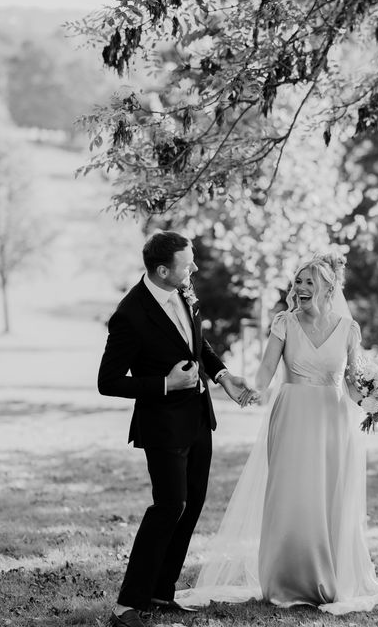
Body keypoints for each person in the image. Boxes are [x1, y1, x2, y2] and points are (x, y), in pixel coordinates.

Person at [176, 251, 378, 614]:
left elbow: (353, 387)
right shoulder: (284, 323)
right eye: (298, 282)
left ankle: (327, 577)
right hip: (291, 416)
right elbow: (265, 374)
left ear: (328, 289)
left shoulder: (348, 330)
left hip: (333, 420)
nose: (301, 288)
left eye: (309, 283)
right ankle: (283, 578)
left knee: (326, 498)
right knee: (290, 496)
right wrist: (244, 388)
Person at [98, 230, 254, 627]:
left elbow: (194, 345)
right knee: (168, 506)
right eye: (189, 263)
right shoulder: (130, 313)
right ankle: (126, 605)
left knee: (192, 504)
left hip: (198, 419)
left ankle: (158, 593)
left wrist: (220, 374)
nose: (195, 268)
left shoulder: (183, 292)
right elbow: (108, 381)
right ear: (163, 270)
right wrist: (166, 384)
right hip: (162, 425)